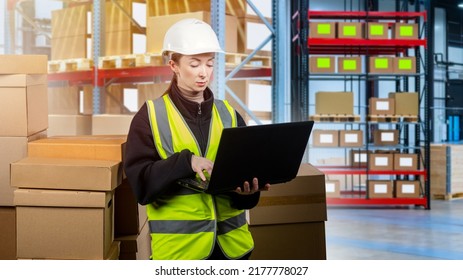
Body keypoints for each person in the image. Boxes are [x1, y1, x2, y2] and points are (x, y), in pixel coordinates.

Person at [124, 18, 270, 260]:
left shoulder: (230, 115)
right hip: (181, 254)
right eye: (194, 64)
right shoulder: (149, 117)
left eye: (210, 64)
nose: (204, 73)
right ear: (174, 65)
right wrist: (186, 163)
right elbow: (142, 187)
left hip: (232, 251)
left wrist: (248, 193)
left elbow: (241, 196)